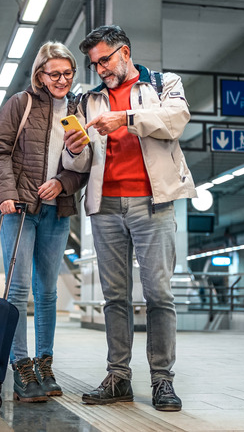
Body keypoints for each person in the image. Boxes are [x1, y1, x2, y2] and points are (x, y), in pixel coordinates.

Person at [62, 25, 195, 412]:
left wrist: (125, 119)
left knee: (159, 295)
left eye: (105, 60)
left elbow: (176, 119)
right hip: (105, 206)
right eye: (95, 64)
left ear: (125, 52)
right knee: (114, 298)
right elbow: (82, 163)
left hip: (153, 203)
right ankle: (118, 376)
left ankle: (162, 379)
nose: (100, 69)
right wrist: (75, 150)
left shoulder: (163, 84)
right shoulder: (87, 100)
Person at [0, 41, 88, 403]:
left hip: (57, 211)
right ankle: (21, 368)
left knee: (47, 292)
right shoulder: (21, 103)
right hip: (19, 210)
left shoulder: (77, 109)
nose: (62, 79)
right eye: (54, 73)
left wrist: (62, 183)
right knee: (18, 290)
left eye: (68, 73)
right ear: (40, 75)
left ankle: (45, 365)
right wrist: (6, 194)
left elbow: (86, 165)